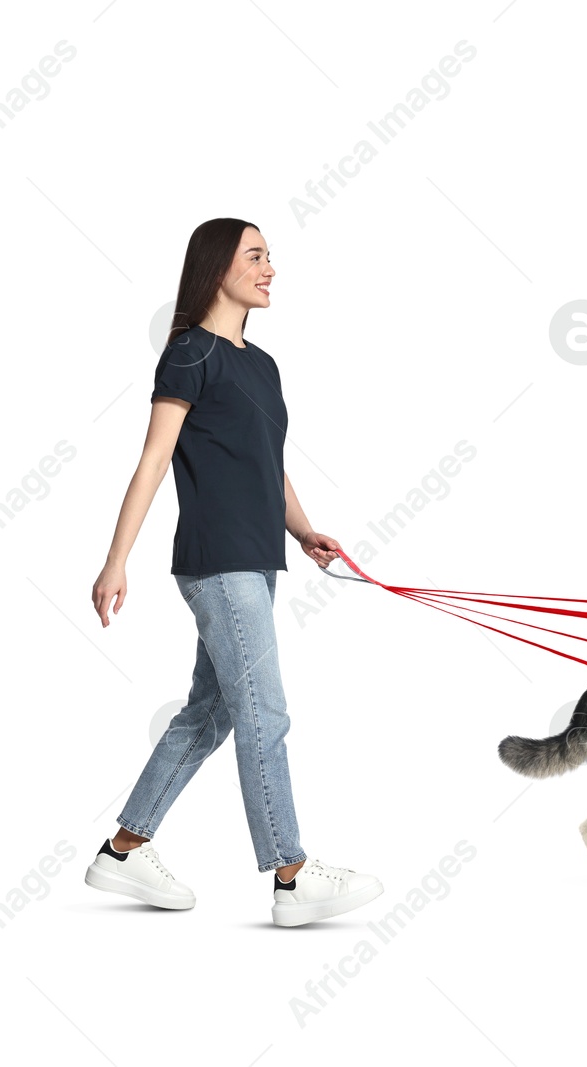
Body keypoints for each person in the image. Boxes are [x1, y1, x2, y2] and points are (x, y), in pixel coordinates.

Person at [85, 217, 381, 927]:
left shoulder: (263, 363)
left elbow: (266, 463)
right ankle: (292, 874)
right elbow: (154, 459)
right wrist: (115, 558)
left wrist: (304, 529)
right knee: (265, 713)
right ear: (218, 266)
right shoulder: (189, 354)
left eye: (270, 257)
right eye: (256, 256)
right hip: (217, 561)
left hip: (257, 558)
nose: (270, 268)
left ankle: (122, 851)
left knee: (209, 715)